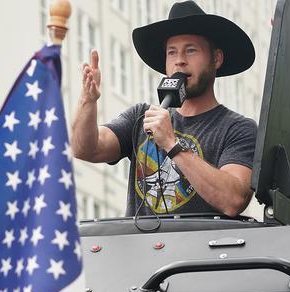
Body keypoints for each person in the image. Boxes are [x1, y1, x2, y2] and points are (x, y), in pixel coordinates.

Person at [71, 0, 258, 217]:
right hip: (142, 251)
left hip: (203, 250)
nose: (179, 61)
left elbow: (233, 200)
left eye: (191, 50)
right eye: (172, 52)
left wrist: (171, 144)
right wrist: (88, 101)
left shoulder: (238, 128)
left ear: (216, 58)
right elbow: (84, 148)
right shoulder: (141, 117)